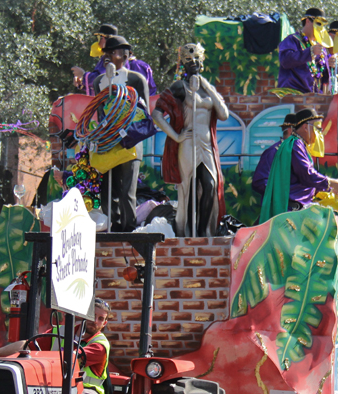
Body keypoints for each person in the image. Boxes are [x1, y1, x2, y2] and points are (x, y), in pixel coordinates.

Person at [152, 43, 229, 237]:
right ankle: (189, 230)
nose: (193, 63)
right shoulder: (179, 87)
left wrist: (206, 86)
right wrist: (176, 136)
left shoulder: (207, 87)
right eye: (188, 59)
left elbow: (223, 114)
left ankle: (204, 230)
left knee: (210, 186)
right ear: (183, 65)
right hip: (188, 142)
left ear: (201, 62)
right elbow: (157, 114)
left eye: (196, 59)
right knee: (191, 187)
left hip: (207, 143)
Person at [95, 35, 150, 232]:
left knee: (128, 190)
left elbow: (145, 115)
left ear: (125, 55)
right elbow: (99, 112)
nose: (107, 57)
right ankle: (113, 226)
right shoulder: (99, 82)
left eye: (113, 52)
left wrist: (127, 129)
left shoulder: (136, 79)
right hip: (109, 141)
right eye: (106, 53)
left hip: (130, 141)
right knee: (108, 189)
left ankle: (129, 229)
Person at [259, 108, 338, 222]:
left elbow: (300, 179)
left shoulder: (298, 145)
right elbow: (307, 174)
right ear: (306, 127)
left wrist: (324, 189)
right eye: (317, 129)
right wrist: (331, 183)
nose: (320, 134)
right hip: (291, 212)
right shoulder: (295, 144)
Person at [74, 24, 157, 96]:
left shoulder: (138, 66)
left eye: (99, 38)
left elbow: (103, 78)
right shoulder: (106, 60)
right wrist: (82, 84)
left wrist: (84, 75)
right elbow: (103, 88)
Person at [277, 8, 330, 94]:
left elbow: (324, 78)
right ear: (308, 21)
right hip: (292, 94)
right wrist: (310, 52)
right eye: (318, 24)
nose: (320, 29)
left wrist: (331, 66)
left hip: (313, 98)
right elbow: (285, 60)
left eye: (323, 26)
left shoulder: (321, 48)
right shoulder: (292, 40)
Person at [252, 113, 297, 198]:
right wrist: (283, 196)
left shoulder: (297, 152)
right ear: (291, 130)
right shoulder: (273, 152)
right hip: (279, 208)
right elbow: (259, 182)